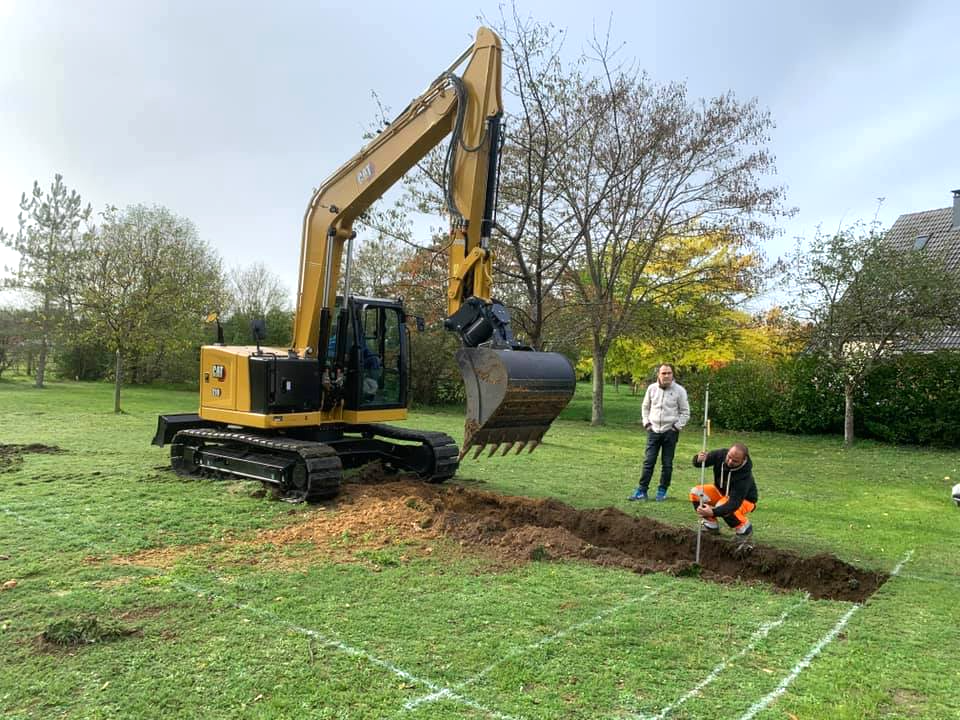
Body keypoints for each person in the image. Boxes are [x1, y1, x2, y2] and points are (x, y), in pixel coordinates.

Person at [628, 363, 690, 502]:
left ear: (672, 374)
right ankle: (641, 491)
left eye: (669, 373)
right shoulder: (651, 389)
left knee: (667, 463)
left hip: (670, 432)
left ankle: (662, 491)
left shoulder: (679, 390)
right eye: (664, 373)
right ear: (659, 375)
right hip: (653, 431)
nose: (666, 375)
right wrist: (647, 423)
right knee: (648, 462)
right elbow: (645, 407)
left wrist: (676, 427)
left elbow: (685, 412)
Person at [690, 443, 758, 554]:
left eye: (735, 461)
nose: (730, 461)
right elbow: (700, 463)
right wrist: (698, 459)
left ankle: (744, 530)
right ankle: (711, 526)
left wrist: (712, 511)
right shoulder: (720, 454)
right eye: (729, 457)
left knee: (723, 506)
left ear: (743, 460)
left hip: (744, 500)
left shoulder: (744, 477)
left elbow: (733, 504)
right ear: (728, 452)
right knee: (696, 492)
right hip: (720, 491)